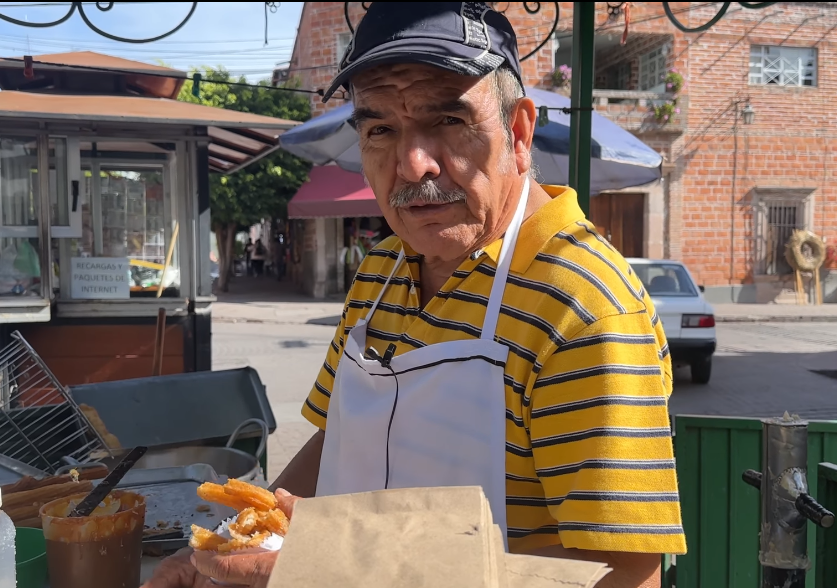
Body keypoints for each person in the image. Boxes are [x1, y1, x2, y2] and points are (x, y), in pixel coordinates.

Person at [142, 3, 683, 587]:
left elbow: (626, 575)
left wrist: (339, 565)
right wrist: (225, 547)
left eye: (448, 121)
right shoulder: (383, 267)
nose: (411, 163)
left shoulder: (583, 304)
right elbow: (335, 438)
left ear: (519, 133)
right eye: (380, 130)